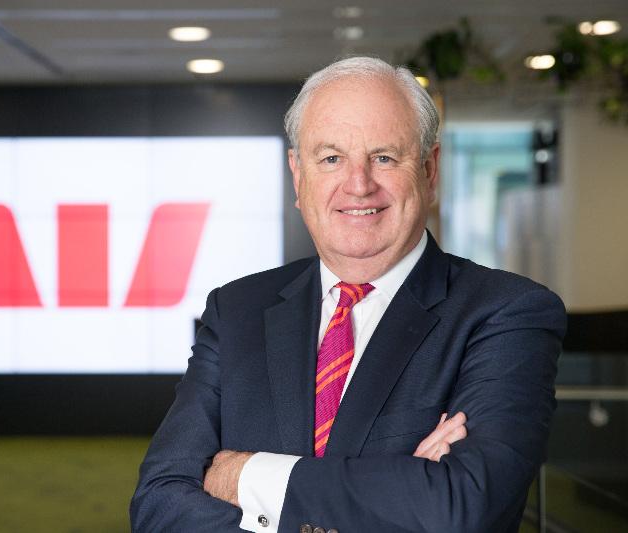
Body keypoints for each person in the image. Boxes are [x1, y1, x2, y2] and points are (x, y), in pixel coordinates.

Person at [130, 56, 566, 533]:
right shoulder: (235, 311)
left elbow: (464, 507)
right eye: (331, 158)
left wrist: (247, 475)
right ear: (299, 176)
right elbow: (158, 504)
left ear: (429, 170)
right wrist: (404, 488)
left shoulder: (507, 313)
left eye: (385, 157)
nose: (359, 185)